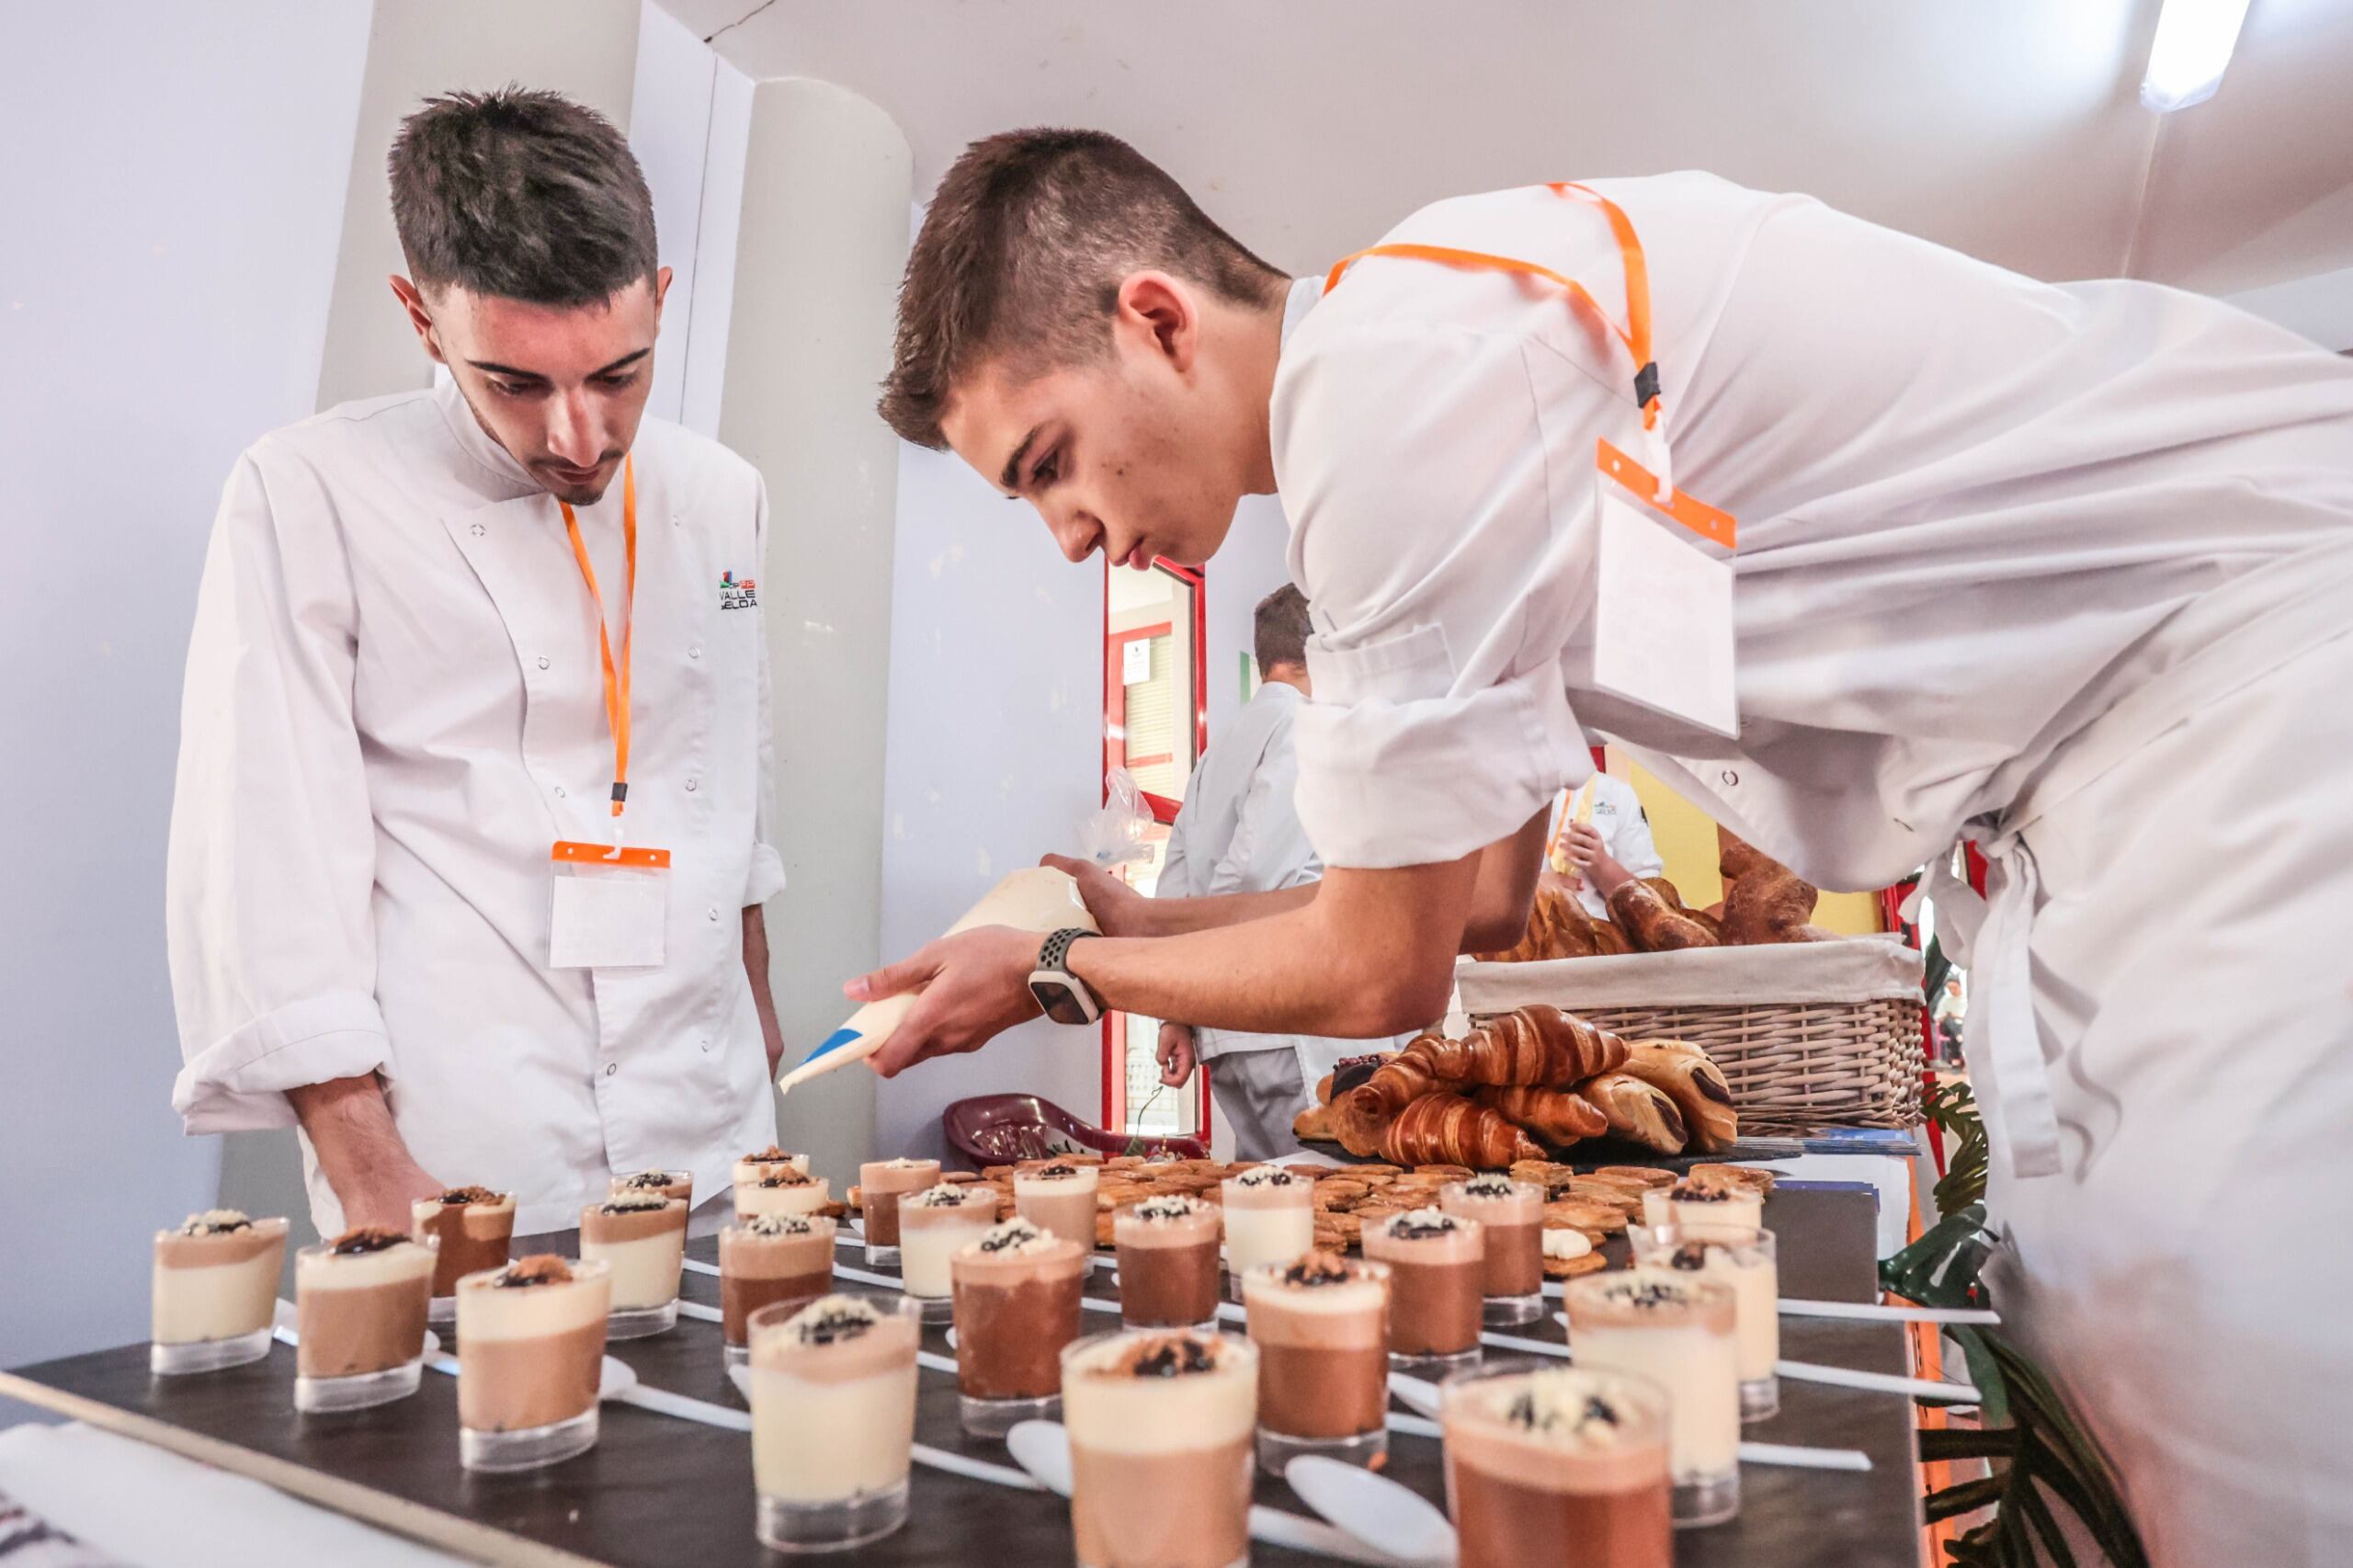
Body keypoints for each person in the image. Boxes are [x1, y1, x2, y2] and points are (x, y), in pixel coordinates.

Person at [847, 130, 2353, 1565]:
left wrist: (1060, 975)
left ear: (1157, 320)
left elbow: (1385, 969)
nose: (1063, 531)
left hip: (2244, 704)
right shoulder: (1428, 366)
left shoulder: (1381, 391)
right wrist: (1142, 925)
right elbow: (1480, 903)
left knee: (2251, 1451)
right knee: (2112, 1413)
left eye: (1048, 461)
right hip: (2104, 793)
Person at [166, 89, 786, 1238]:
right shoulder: (311, 488)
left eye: (618, 374)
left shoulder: (721, 495)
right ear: (420, 315)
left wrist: (754, 1006)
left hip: (712, 1114)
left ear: (660, 299)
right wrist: (364, 1163)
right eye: (516, 383)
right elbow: (267, 841)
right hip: (467, 1138)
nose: (579, 438)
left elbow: (731, 761)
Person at [1153, 585, 1417, 1158]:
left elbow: (1172, 893)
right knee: (1328, 1189)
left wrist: (1179, 1007)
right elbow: (1255, 874)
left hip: (1225, 1029)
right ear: (1324, 652)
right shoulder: (1305, 726)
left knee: (1268, 1199)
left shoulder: (1217, 750)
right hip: (1286, 1015)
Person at [1542, 772, 1665, 921]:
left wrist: (1602, 865)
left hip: (1601, 933)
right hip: (1523, 931)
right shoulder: (1508, 791)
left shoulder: (1616, 792)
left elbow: (1651, 905)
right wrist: (1534, 890)